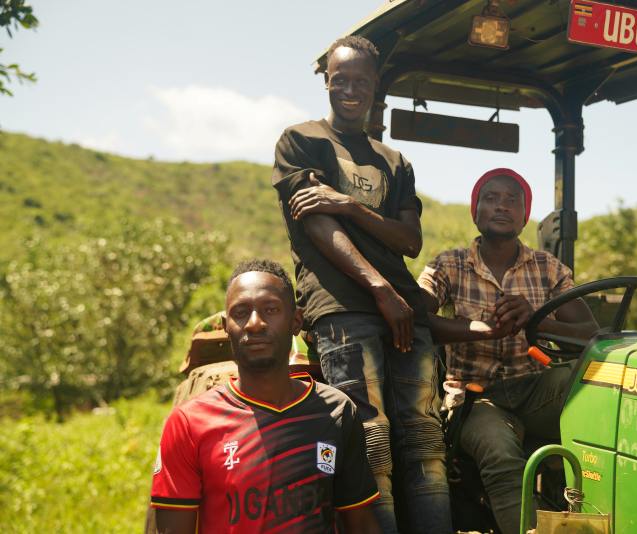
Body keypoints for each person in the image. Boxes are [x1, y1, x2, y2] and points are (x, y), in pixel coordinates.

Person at [271, 35, 451, 533]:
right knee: (371, 439)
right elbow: (315, 223)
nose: (350, 89)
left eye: (361, 81)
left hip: (403, 308)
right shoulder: (300, 141)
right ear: (326, 82)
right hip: (344, 305)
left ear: (376, 86)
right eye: (340, 80)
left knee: (424, 438)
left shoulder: (396, 163)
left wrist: (348, 205)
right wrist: (379, 288)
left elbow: (410, 240)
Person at [417, 168, 598, 534]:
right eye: (491, 198)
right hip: (473, 397)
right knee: (499, 451)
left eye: (512, 200)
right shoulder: (448, 264)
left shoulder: (548, 268)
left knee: (596, 382)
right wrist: (478, 329)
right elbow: (416, 315)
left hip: (533, 387)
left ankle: (595, 508)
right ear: (476, 210)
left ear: (525, 214)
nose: (502, 206)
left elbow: (590, 333)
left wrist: (536, 322)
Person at [150, 259, 381, 534]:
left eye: (270, 309)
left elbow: (361, 524)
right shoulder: (188, 423)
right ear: (226, 327)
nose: (255, 324)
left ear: (296, 320)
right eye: (240, 312)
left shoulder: (337, 411)